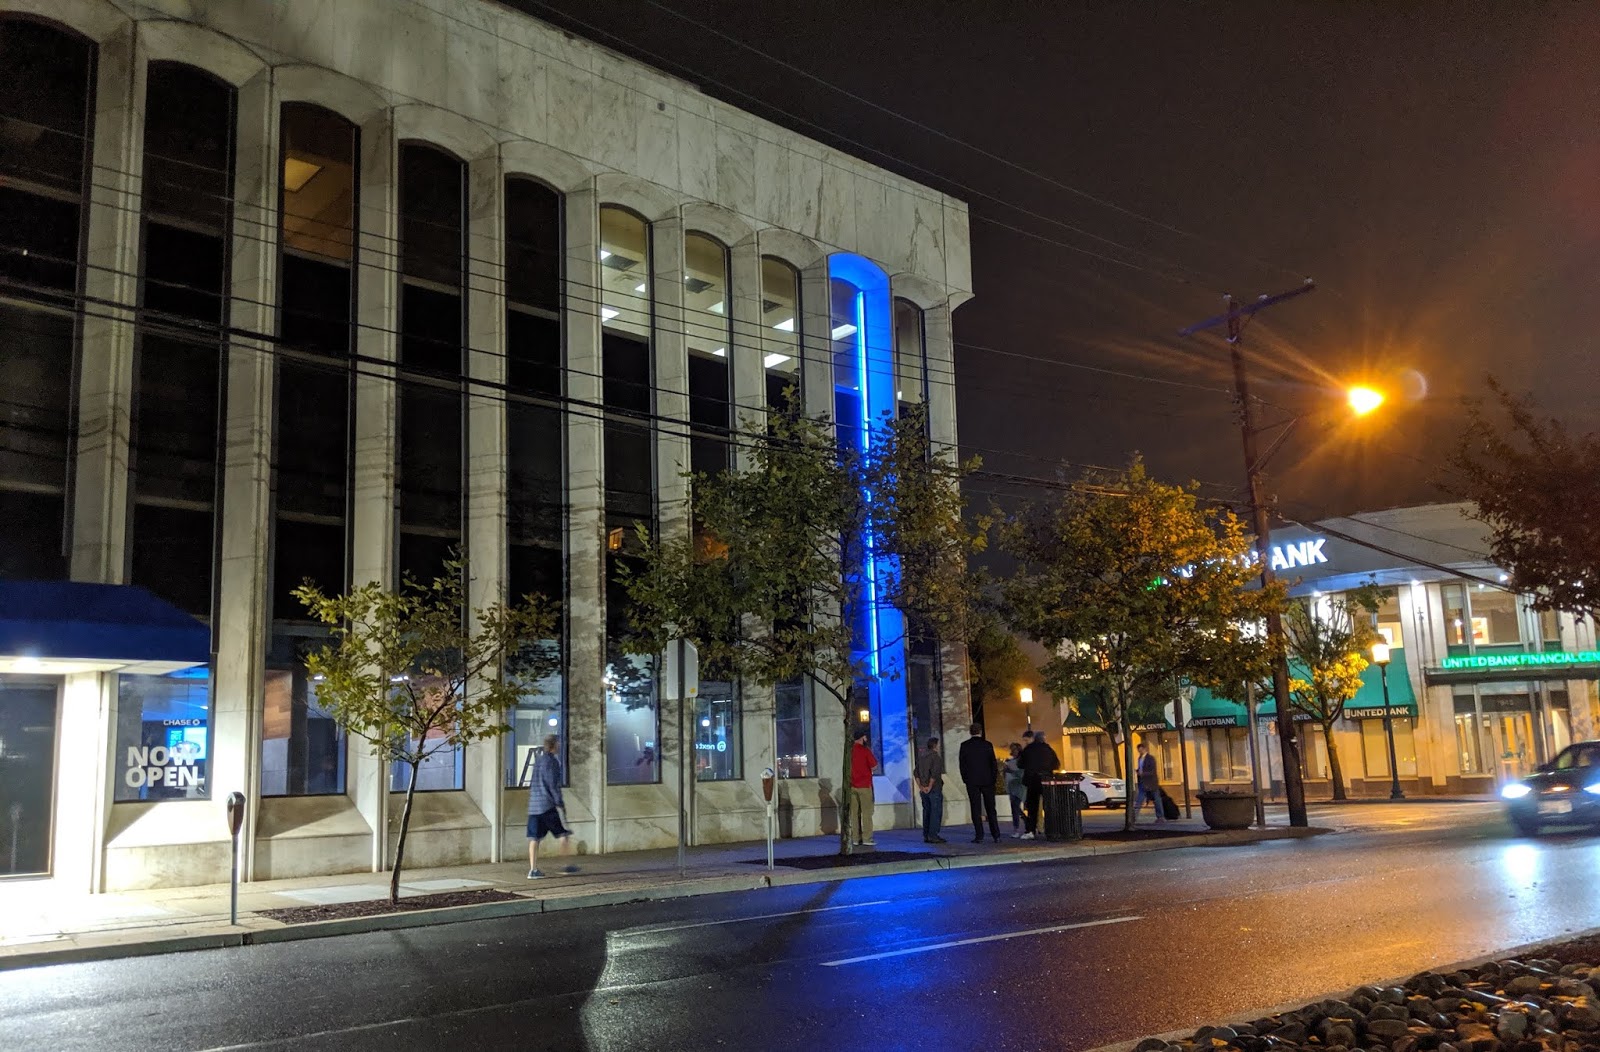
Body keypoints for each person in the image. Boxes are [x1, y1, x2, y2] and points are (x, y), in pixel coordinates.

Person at [527, 734, 578, 878]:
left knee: (534, 838)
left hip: (534, 805)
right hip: (547, 805)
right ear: (554, 745)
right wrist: (559, 802)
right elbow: (553, 785)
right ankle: (566, 865)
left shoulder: (538, 761)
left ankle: (533, 869)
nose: (560, 746)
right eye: (558, 744)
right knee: (563, 834)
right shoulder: (552, 762)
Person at [959, 723, 1002, 843]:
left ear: (970, 732)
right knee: (991, 808)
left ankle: (979, 835)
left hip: (972, 781)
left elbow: (962, 765)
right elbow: (993, 764)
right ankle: (996, 834)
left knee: (975, 808)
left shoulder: (965, 746)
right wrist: (993, 779)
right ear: (981, 731)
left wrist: (966, 779)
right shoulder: (987, 745)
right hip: (987, 780)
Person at [1016, 729, 1060, 840]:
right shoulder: (1049, 749)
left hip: (1032, 780)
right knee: (1048, 806)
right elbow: (1056, 764)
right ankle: (1051, 829)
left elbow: (1020, 764)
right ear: (1044, 739)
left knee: (1032, 808)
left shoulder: (1029, 749)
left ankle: (1031, 831)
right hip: (1046, 781)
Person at [849, 729, 878, 849]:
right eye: (865, 737)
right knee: (866, 813)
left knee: (854, 814)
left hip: (852, 786)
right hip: (865, 785)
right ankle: (867, 838)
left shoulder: (849, 751)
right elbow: (874, 766)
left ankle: (855, 838)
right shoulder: (865, 750)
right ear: (862, 738)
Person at [916, 736, 947, 844]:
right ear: (935, 746)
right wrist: (929, 786)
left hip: (923, 790)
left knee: (927, 812)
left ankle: (926, 835)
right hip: (934, 789)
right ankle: (933, 835)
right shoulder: (936, 758)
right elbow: (935, 774)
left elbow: (916, 773)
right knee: (935, 812)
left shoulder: (922, 757)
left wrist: (921, 786)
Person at [1133, 741, 1166, 825]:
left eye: (1141, 750)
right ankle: (1133, 817)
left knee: (1156, 800)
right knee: (1139, 800)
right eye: (1139, 751)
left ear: (1144, 749)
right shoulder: (1140, 758)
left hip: (1151, 783)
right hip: (1143, 782)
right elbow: (1141, 768)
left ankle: (1160, 817)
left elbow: (1152, 771)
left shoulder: (1150, 758)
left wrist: (1142, 773)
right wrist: (1138, 771)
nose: (1140, 752)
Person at [1003, 742, 1027, 833]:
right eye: (1011, 749)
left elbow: (1021, 774)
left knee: (1015, 806)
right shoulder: (1010, 761)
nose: (1012, 751)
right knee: (1014, 807)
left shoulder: (1021, 762)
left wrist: (1010, 770)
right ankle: (1017, 826)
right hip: (1011, 786)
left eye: (1014, 749)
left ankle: (1022, 822)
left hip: (1019, 786)